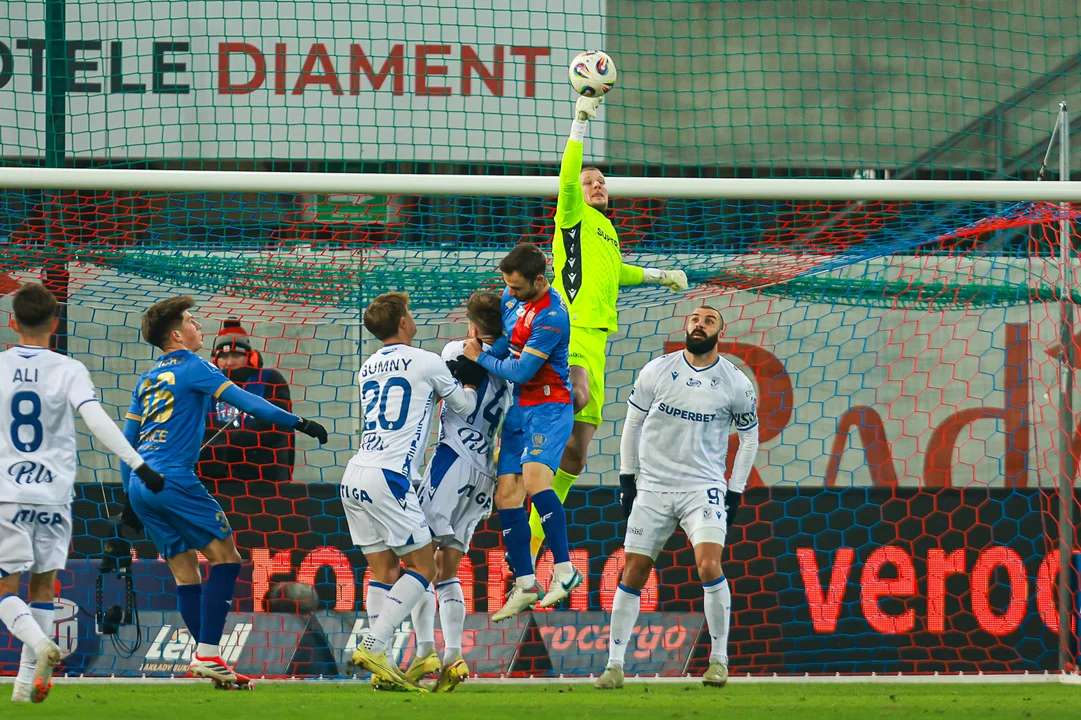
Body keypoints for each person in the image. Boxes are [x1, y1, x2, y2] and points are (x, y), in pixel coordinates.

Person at [121, 296, 327, 688]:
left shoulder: (147, 379)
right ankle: (209, 653)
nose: (200, 326)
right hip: (174, 478)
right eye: (192, 320)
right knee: (227, 558)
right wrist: (299, 421)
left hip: (140, 482)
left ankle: (206, 657)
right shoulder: (194, 366)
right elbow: (250, 403)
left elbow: (126, 441)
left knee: (186, 574)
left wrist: (126, 499)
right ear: (177, 334)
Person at [533, 94, 690, 559]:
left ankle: (531, 540)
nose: (597, 184)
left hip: (597, 341)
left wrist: (661, 276)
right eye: (589, 181)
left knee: (578, 455)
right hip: (571, 331)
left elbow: (616, 271)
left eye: (601, 180)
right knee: (573, 396)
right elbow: (567, 178)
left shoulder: (607, 229)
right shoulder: (572, 219)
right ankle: (517, 452)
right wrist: (580, 123)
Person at [0, 283, 164, 704]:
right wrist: (139, 465)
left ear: (12, 321)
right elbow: (97, 420)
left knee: (4, 589)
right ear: (55, 323)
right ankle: (23, 689)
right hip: (55, 495)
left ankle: (38, 646)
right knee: (43, 585)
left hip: (8, 494)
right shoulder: (69, 369)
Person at [593, 306, 758, 690]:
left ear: (721, 331)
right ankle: (614, 667)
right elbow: (632, 423)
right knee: (633, 570)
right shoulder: (657, 369)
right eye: (695, 319)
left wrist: (735, 490)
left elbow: (748, 438)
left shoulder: (736, 382)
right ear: (687, 326)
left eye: (709, 320)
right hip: (652, 485)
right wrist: (627, 479)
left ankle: (719, 661)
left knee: (708, 565)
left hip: (703, 486)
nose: (700, 324)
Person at [342, 291, 480, 692]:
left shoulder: (368, 366)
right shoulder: (427, 360)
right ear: (403, 322)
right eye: (410, 313)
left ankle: (379, 659)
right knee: (425, 568)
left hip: (355, 474)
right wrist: (470, 371)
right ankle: (374, 643)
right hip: (391, 477)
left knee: (383, 572)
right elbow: (465, 406)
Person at [462, 243, 581, 620]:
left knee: (534, 482)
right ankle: (526, 584)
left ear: (539, 280)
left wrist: (478, 358)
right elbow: (505, 341)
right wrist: (486, 348)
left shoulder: (552, 317)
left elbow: (521, 372)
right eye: (506, 286)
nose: (508, 294)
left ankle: (565, 570)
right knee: (507, 495)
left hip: (549, 407)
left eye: (515, 287)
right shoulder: (511, 297)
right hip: (519, 409)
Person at [409, 291, 509, 692]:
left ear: (471, 325)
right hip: (485, 472)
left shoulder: (454, 350)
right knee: (447, 568)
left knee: (417, 560)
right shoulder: (514, 365)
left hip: (452, 459)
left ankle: (423, 652)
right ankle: (453, 655)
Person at [198, 318, 295, 489]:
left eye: (236, 355)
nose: (229, 362)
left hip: (263, 477)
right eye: (224, 356)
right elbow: (200, 424)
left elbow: (275, 424)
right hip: (215, 477)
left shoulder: (270, 379)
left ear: (250, 357)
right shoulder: (206, 385)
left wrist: (226, 439)